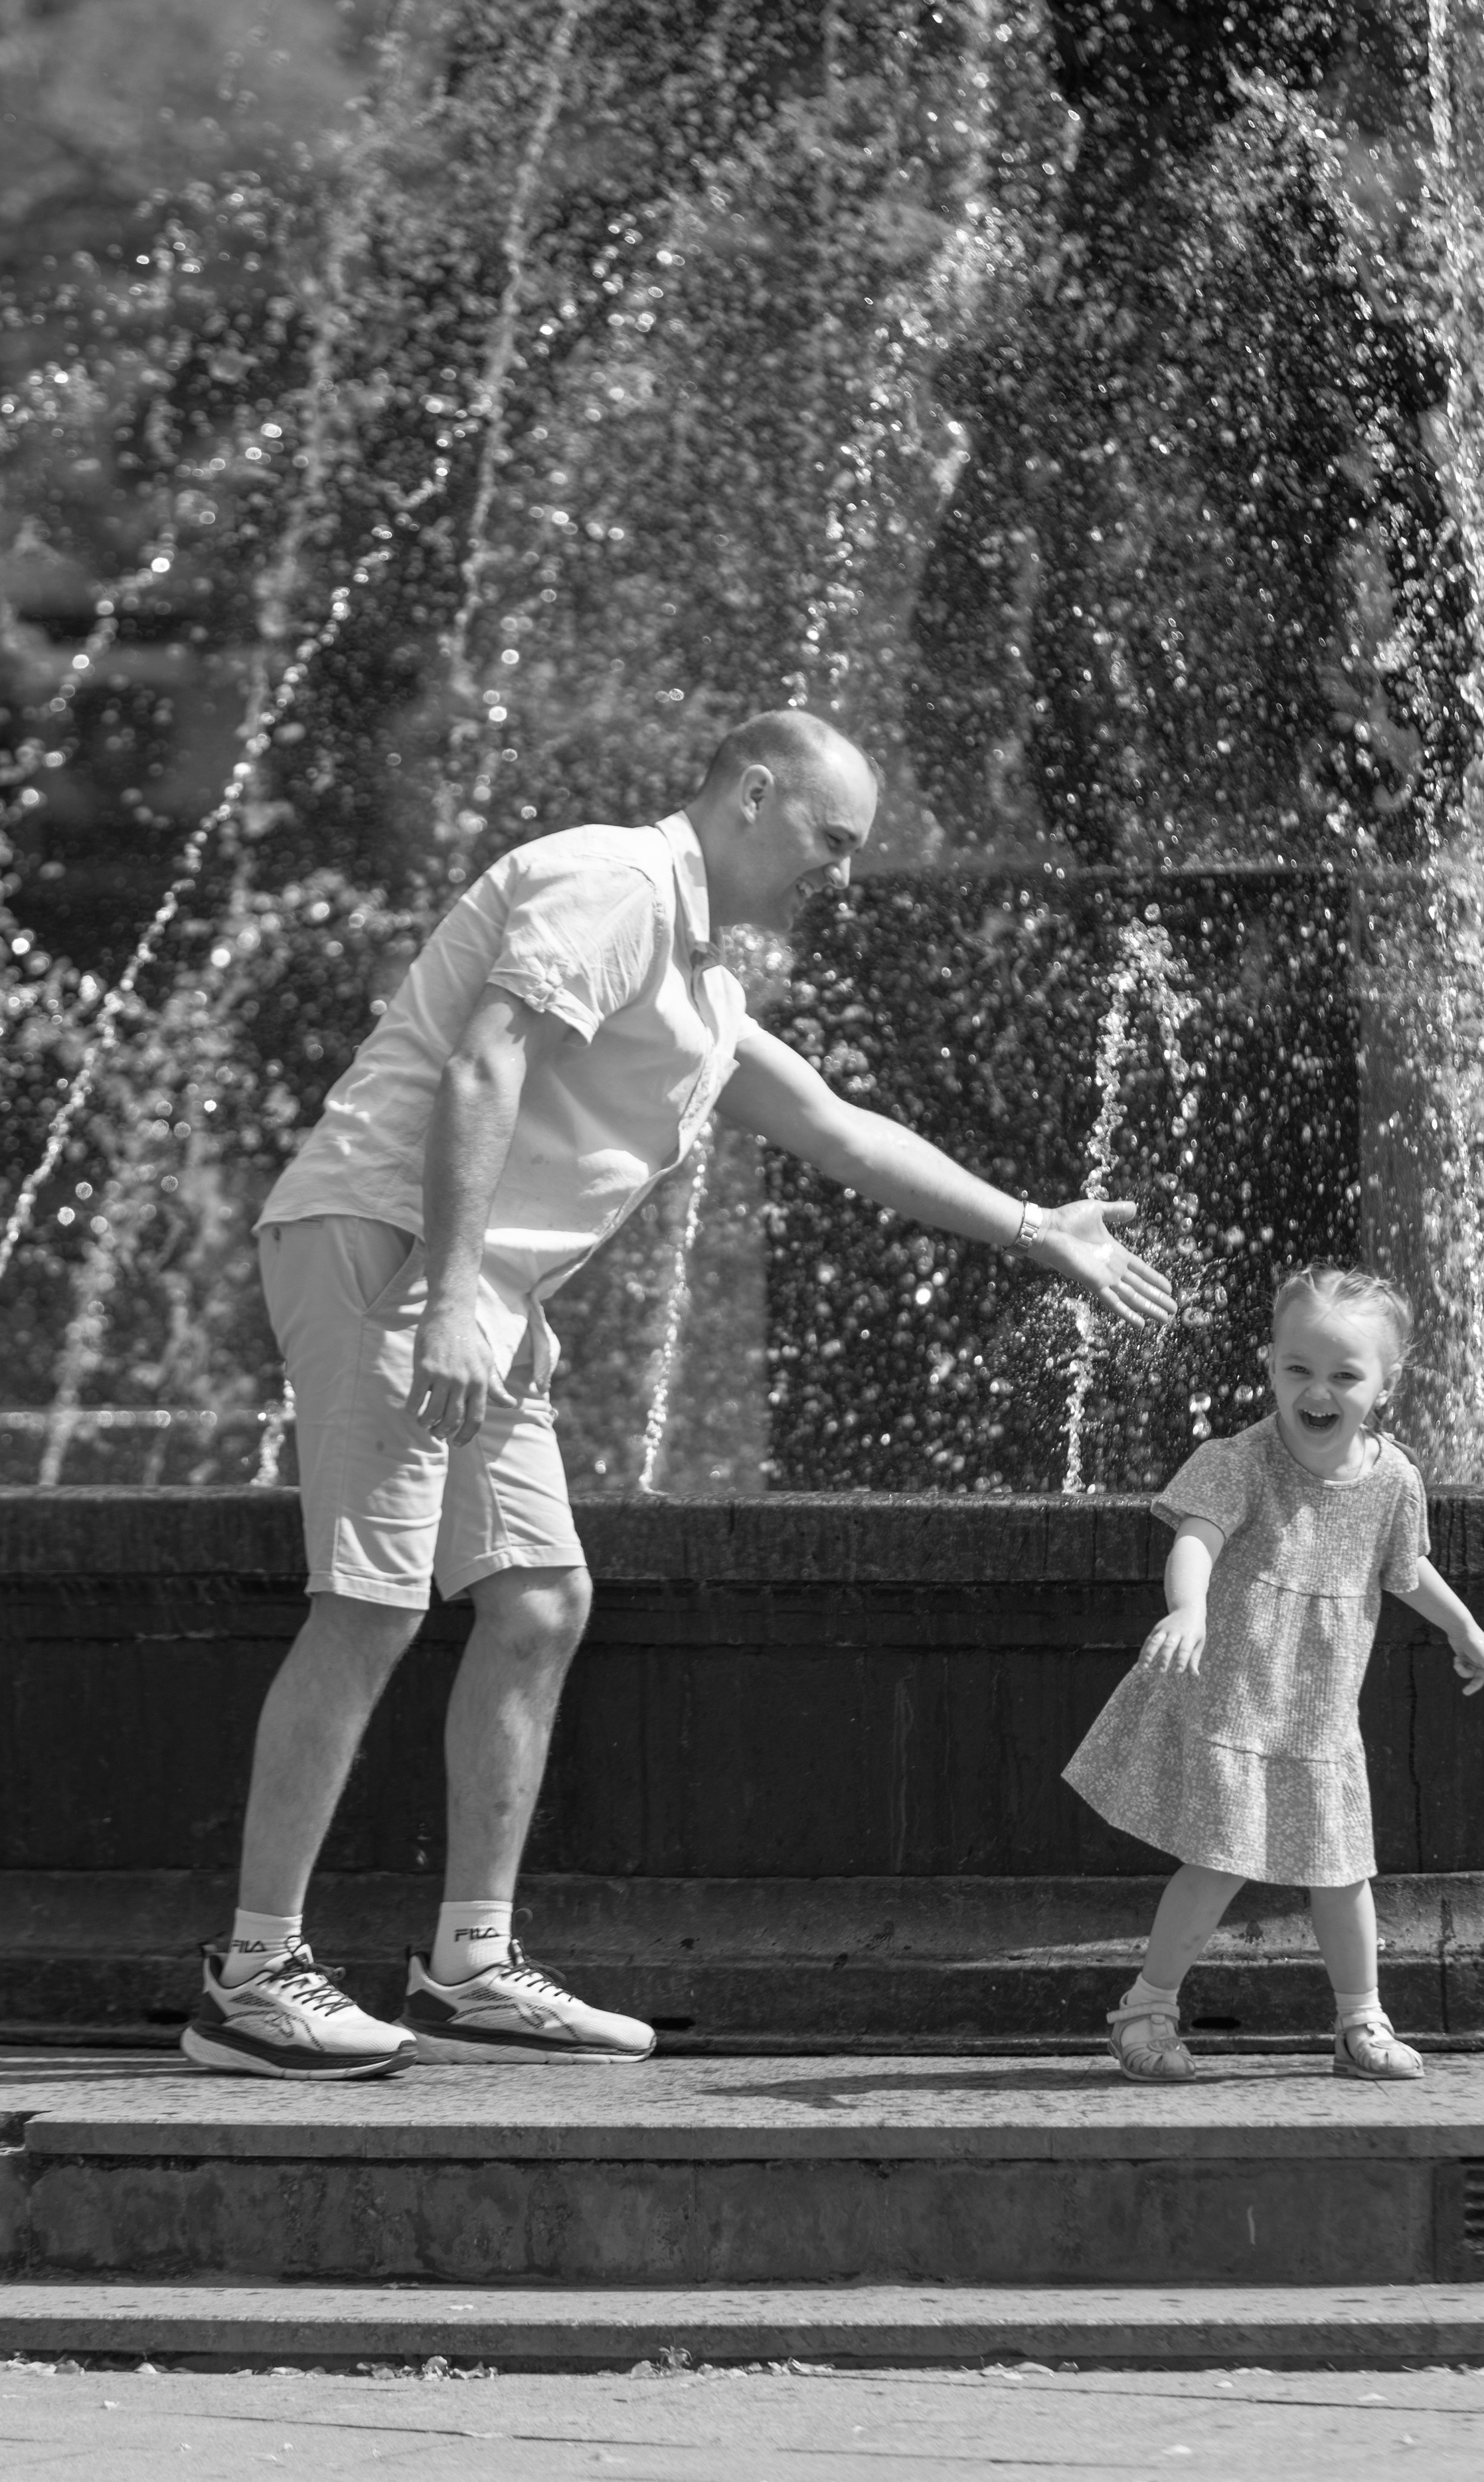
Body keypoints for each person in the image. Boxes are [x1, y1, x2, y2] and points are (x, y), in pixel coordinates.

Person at [180, 707, 1178, 2079]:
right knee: (371, 1600)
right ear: (754, 793)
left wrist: (1033, 1226)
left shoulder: (698, 980)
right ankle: (252, 1973)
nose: (842, 873)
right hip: (390, 1247)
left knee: (537, 1598)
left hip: (468, 1283)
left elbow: (835, 1125)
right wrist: (465, 1287)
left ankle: (470, 1958)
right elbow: (484, 1063)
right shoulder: (616, 882)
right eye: (833, 840)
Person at [1063, 1261, 1484, 2085]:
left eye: (1344, 1373)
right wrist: (1188, 1607)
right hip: (1235, 1700)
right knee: (1219, 1861)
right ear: (1270, 1365)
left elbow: (1403, 1569)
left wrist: (1465, 1624)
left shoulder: (1393, 1479)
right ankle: (1145, 2009)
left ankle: (1358, 2020)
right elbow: (1195, 1537)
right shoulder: (1239, 1461)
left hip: (1319, 1719)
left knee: (1344, 1874)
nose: (1318, 1390)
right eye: (1298, 1368)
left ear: (1385, 1381)